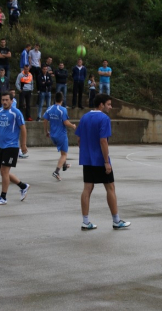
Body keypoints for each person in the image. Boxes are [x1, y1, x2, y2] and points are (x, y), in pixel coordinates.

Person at [75, 94, 131, 230]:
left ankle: (85, 221)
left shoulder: (85, 117)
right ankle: (116, 221)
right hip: (100, 160)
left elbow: (79, 140)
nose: (110, 107)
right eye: (109, 104)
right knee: (110, 188)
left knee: (87, 189)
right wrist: (106, 162)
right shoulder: (104, 118)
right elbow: (103, 141)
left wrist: (87, 151)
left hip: (87, 160)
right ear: (101, 105)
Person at [0, 92, 30, 205]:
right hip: (2, 146)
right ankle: (23, 186)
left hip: (12, 146)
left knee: (4, 171)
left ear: (11, 100)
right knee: (3, 172)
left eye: (7, 100)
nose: (4, 102)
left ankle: (3, 197)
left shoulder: (16, 113)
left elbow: (23, 128)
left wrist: (23, 145)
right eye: (3, 100)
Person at [44, 92, 76, 181]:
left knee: (62, 152)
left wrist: (46, 131)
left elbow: (45, 120)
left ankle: (64, 165)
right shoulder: (63, 110)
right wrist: (73, 126)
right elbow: (65, 122)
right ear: (62, 100)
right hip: (61, 135)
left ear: (55, 99)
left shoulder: (49, 109)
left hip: (53, 135)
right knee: (64, 154)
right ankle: (56, 171)